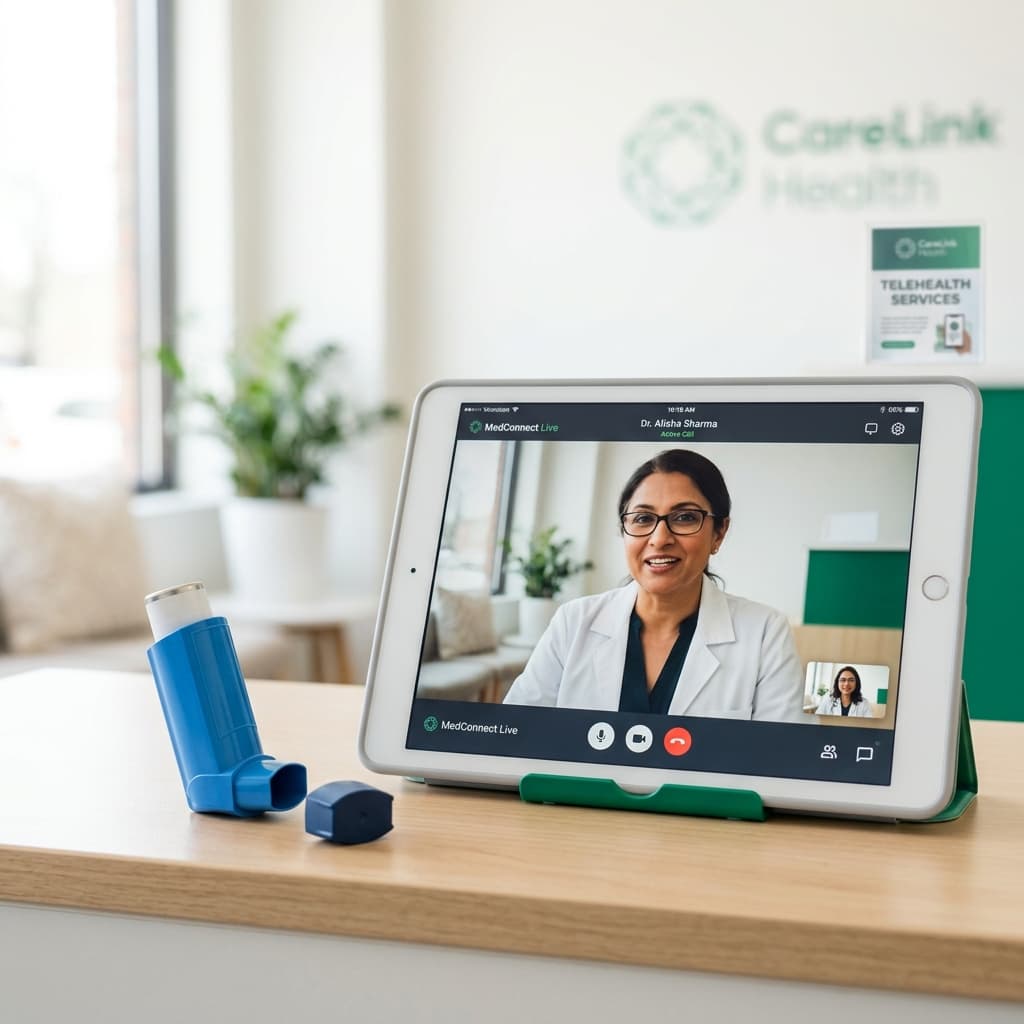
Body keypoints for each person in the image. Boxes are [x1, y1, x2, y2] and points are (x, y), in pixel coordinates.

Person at [503, 449, 805, 722]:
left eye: (685, 517)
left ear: (719, 533)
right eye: (643, 518)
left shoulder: (765, 633)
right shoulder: (574, 621)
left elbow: (780, 759)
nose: (660, 539)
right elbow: (516, 733)